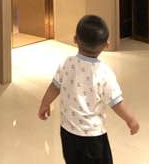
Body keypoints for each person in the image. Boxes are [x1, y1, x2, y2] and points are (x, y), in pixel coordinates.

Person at [37, 15, 139, 164]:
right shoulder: (104, 73)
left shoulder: (66, 63)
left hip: (68, 132)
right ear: (107, 44)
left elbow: (54, 86)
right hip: (93, 136)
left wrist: (45, 103)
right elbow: (116, 102)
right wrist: (130, 120)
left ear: (75, 39)